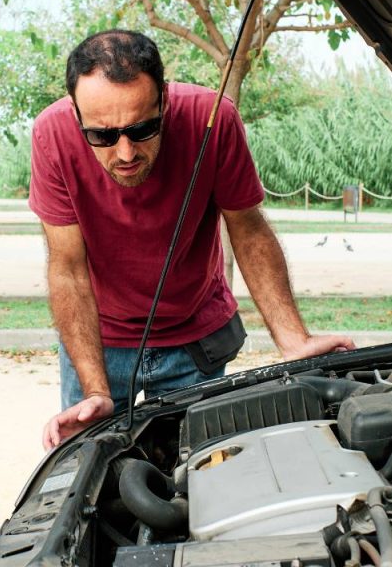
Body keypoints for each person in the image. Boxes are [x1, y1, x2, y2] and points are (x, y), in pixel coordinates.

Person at [29, 30, 354, 450]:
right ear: (76, 114)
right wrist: (95, 390)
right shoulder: (51, 134)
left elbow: (249, 230)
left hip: (194, 340)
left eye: (142, 129)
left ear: (163, 99)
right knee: (97, 470)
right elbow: (68, 267)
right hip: (97, 342)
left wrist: (294, 340)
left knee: (195, 472)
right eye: (103, 136)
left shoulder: (213, 118)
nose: (125, 153)